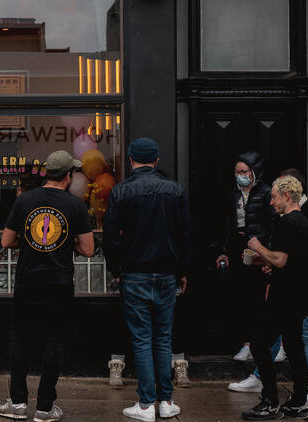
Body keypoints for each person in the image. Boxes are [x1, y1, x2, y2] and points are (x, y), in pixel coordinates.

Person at [0, 150, 94, 422]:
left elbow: (6, 241)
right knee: (54, 340)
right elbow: (87, 249)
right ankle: (45, 407)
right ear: (69, 175)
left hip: (28, 280)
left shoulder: (25, 200)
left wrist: (28, 242)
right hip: (59, 282)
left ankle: (16, 403)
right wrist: (66, 242)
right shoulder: (75, 206)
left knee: (19, 339)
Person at [103, 137, 190, 421]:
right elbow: (185, 236)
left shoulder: (121, 191)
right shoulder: (175, 191)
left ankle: (145, 405)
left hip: (135, 274)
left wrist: (117, 270)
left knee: (141, 340)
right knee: (163, 339)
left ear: (130, 160)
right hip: (166, 274)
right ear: (156, 160)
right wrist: (183, 271)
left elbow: (110, 239)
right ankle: (165, 401)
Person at [229, 169, 308, 405]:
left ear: (287, 196)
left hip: (284, 296)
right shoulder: (304, 223)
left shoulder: (288, 223)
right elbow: (292, 260)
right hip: (297, 295)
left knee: (260, 344)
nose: (271, 202)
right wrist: (269, 263)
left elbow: (281, 260)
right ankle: (300, 401)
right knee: (294, 348)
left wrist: (257, 247)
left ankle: (270, 400)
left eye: (274, 197)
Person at [212, 151, 277, 362]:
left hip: (257, 249)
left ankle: (263, 345)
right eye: (237, 172)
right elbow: (225, 225)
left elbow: (273, 225)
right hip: (237, 247)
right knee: (240, 298)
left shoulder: (267, 193)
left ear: (254, 172)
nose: (240, 175)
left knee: (259, 298)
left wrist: (268, 253)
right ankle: (246, 343)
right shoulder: (232, 193)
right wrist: (222, 250)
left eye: (244, 171)